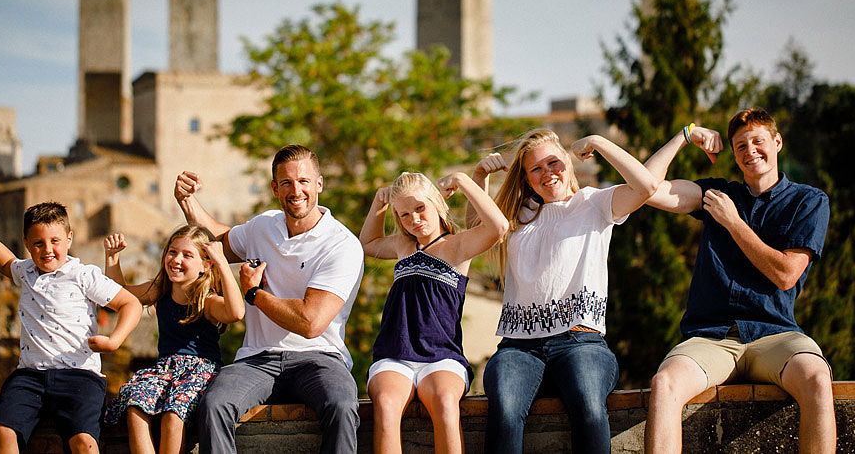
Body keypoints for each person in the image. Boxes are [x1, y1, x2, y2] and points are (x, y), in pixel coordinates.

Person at [642, 109, 835, 454]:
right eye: (740, 146)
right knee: (664, 383)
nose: (750, 151)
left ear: (777, 143)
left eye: (758, 141)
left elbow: (786, 275)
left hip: (775, 335)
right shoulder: (716, 194)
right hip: (712, 338)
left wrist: (734, 223)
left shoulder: (809, 201)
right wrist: (685, 135)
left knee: (818, 378)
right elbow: (648, 187)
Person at [471, 130, 663, 454]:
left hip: (580, 342)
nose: (547, 173)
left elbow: (646, 186)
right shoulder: (519, 217)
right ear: (528, 179)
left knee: (588, 406)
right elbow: (477, 230)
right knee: (503, 408)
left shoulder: (593, 203)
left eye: (553, 162)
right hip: (520, 348)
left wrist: (599, 143)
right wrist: (478, 177)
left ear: (569, 164)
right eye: (536, 169)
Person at [173, 144, 365, 454]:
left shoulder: (341, 244)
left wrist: (254, 294)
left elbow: (310, 323)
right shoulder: (263, 226)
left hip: (319, 357)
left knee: (342, 406)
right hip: (258, 358)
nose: (296, 190)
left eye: (303, 181)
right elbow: (219, 239)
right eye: (287, 182)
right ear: (275, 188)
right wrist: (187, 200)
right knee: (214, 404)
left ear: (319, 184)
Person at [0, 201, 141, 454]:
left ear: (69, 239)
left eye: (55, 241)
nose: (47, 250)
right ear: (27, 243)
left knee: (84, 441)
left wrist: (114, 340)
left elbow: (130, 303)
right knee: (2, 431)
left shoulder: (84, 275)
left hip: (80, 376)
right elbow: (6, 264)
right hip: (30, 376)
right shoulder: (26, 270)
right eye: (38, 243)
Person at [360, 171, 510, 454]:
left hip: (442, 357)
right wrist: (378, 204)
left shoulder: (458, 245)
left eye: (420, 208)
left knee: (444, 402)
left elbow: (499, 226)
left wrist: (464, 181)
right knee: (386, 405)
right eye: (404, 214)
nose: (414, 219)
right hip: (395, 354)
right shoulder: (403, 246)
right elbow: (367, 244)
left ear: (437, 203)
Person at [102, 225, 246, 454]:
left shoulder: (207, 302)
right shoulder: (159, 290)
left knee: (173, 414)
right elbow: (118, 297)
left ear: (205, 265)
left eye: (187, 255)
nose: (176, 259)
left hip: (199, 371)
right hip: (165, 369)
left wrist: (221, 262)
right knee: (135, 406)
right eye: (172, 251)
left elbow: (236, 312)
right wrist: (112, 258)